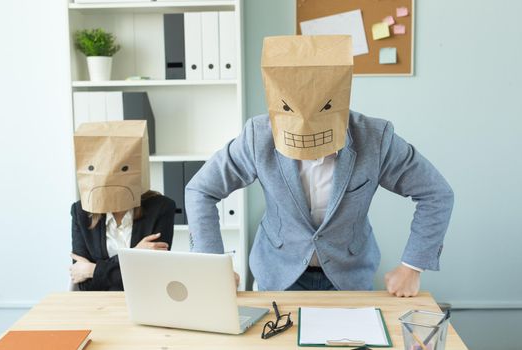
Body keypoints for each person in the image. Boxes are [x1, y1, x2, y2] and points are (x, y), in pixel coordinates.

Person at [184, 35, 454, 296]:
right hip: (277, 275)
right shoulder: (258, 136)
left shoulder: (375, 139)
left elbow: (436, 193)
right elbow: (200, 190)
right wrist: (212, 266)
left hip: (349, 278)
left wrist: (413, 266)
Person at [70, 120, 175, 291]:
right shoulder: (81, 212)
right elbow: (83, 282)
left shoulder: (162, 208)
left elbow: (152, 275)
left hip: (146, 300)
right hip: (98, 307)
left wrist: (93, 269)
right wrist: (135, 255)